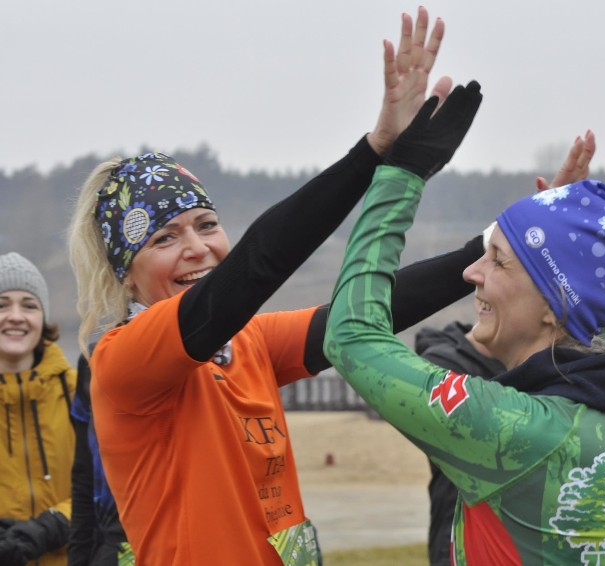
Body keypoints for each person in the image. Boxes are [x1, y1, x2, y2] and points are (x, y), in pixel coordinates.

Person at [66, 8, 490, 565]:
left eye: (207, 226)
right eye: (165, 238)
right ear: (126, 272)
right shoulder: (125, 361)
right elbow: (255, 267)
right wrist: (375, 153)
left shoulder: (249, 344)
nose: (197, 247)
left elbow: (369, 310)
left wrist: (502, 246)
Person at [324, 82, 605, 563]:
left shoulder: (512, 429)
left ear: (550, 306)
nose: (471, 271)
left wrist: (402, 173)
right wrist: (604, 245)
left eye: (497, 260)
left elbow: (351, 337)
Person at [415, 137, 605, 565]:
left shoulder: (588, 388)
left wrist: (603, 266)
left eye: (500, 263)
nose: (476, 276)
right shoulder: (452, 365)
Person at [0, 252, 77, 566]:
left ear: (42, 319)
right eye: (2, 305)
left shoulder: (80, 392)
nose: (16, 316)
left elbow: (112, 483)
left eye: (29, 305)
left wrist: (55, 524)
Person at [67, 352, 133, 566]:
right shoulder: (94, 358)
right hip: (114, 547)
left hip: (182, 542)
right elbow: (83, 478)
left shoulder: (200, 354)